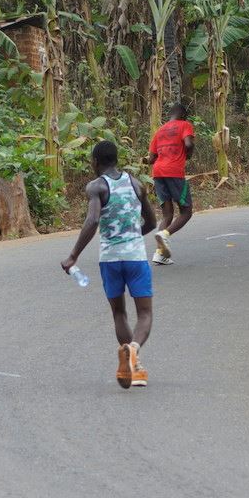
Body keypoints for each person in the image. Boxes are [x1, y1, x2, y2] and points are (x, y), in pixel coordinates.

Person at [61, 141, 157, 389]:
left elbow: (92, 220)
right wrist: (133, 235)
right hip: (136, 257)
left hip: (110, 260)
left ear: (95, 162)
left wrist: (73, 256)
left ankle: (131, 360)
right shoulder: (137, 184)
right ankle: (134, 355)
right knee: (145, 313)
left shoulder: (96, 187)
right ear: (116, 159)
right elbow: (152, 222)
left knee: (119, 312)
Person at [147, 103, 195, 265]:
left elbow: (151, 159)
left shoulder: (159, 131)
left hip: (157, 173)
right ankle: (165, 235)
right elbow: (188, 144)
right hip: (174, 172)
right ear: (183, 116)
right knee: (186, 211)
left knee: (167, 214)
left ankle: (160, 254)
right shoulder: (185, 125)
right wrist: (188, 154)